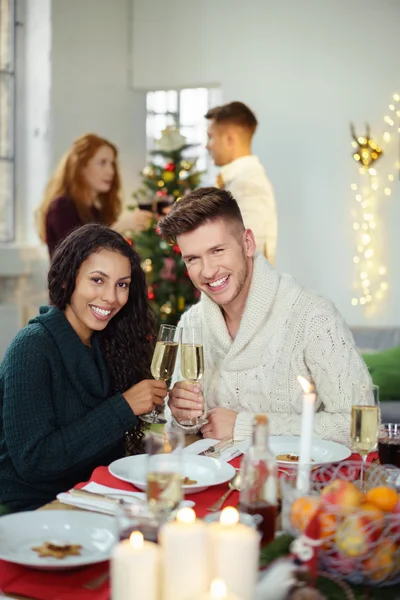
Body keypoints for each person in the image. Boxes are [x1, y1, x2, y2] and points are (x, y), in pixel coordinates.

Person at [158, 187, 372, 443]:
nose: (208, 271)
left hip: (296, 481)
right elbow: (180, 428)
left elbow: (360, 425)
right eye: (193, 259)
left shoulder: (314, 316)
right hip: (217, 479)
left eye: (217, 251)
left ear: (247, 243)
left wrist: (246, 425)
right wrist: (182, 415)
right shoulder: (191, 324)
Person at [0, 224, 166, 512]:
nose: (111, 297)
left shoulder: (110, 343)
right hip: (38, 508)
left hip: (95, 494)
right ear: (68, 280)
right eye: (97, 280)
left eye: (122, 284)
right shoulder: (31, 348)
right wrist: (123, 407)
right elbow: (35, 462)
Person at [36, 133, 152, 257]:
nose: (111, 171)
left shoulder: (96, 212)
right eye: (102, 163)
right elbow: (74, 259)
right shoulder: (61, 207)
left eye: (112, 164)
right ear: (81, 167)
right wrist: (117, 229)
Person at [205, 101, 277, 265]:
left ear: (229, 139)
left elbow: (248, 256)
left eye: (210, 137)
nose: (207, 145)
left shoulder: (248, 185)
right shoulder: (235, 181)